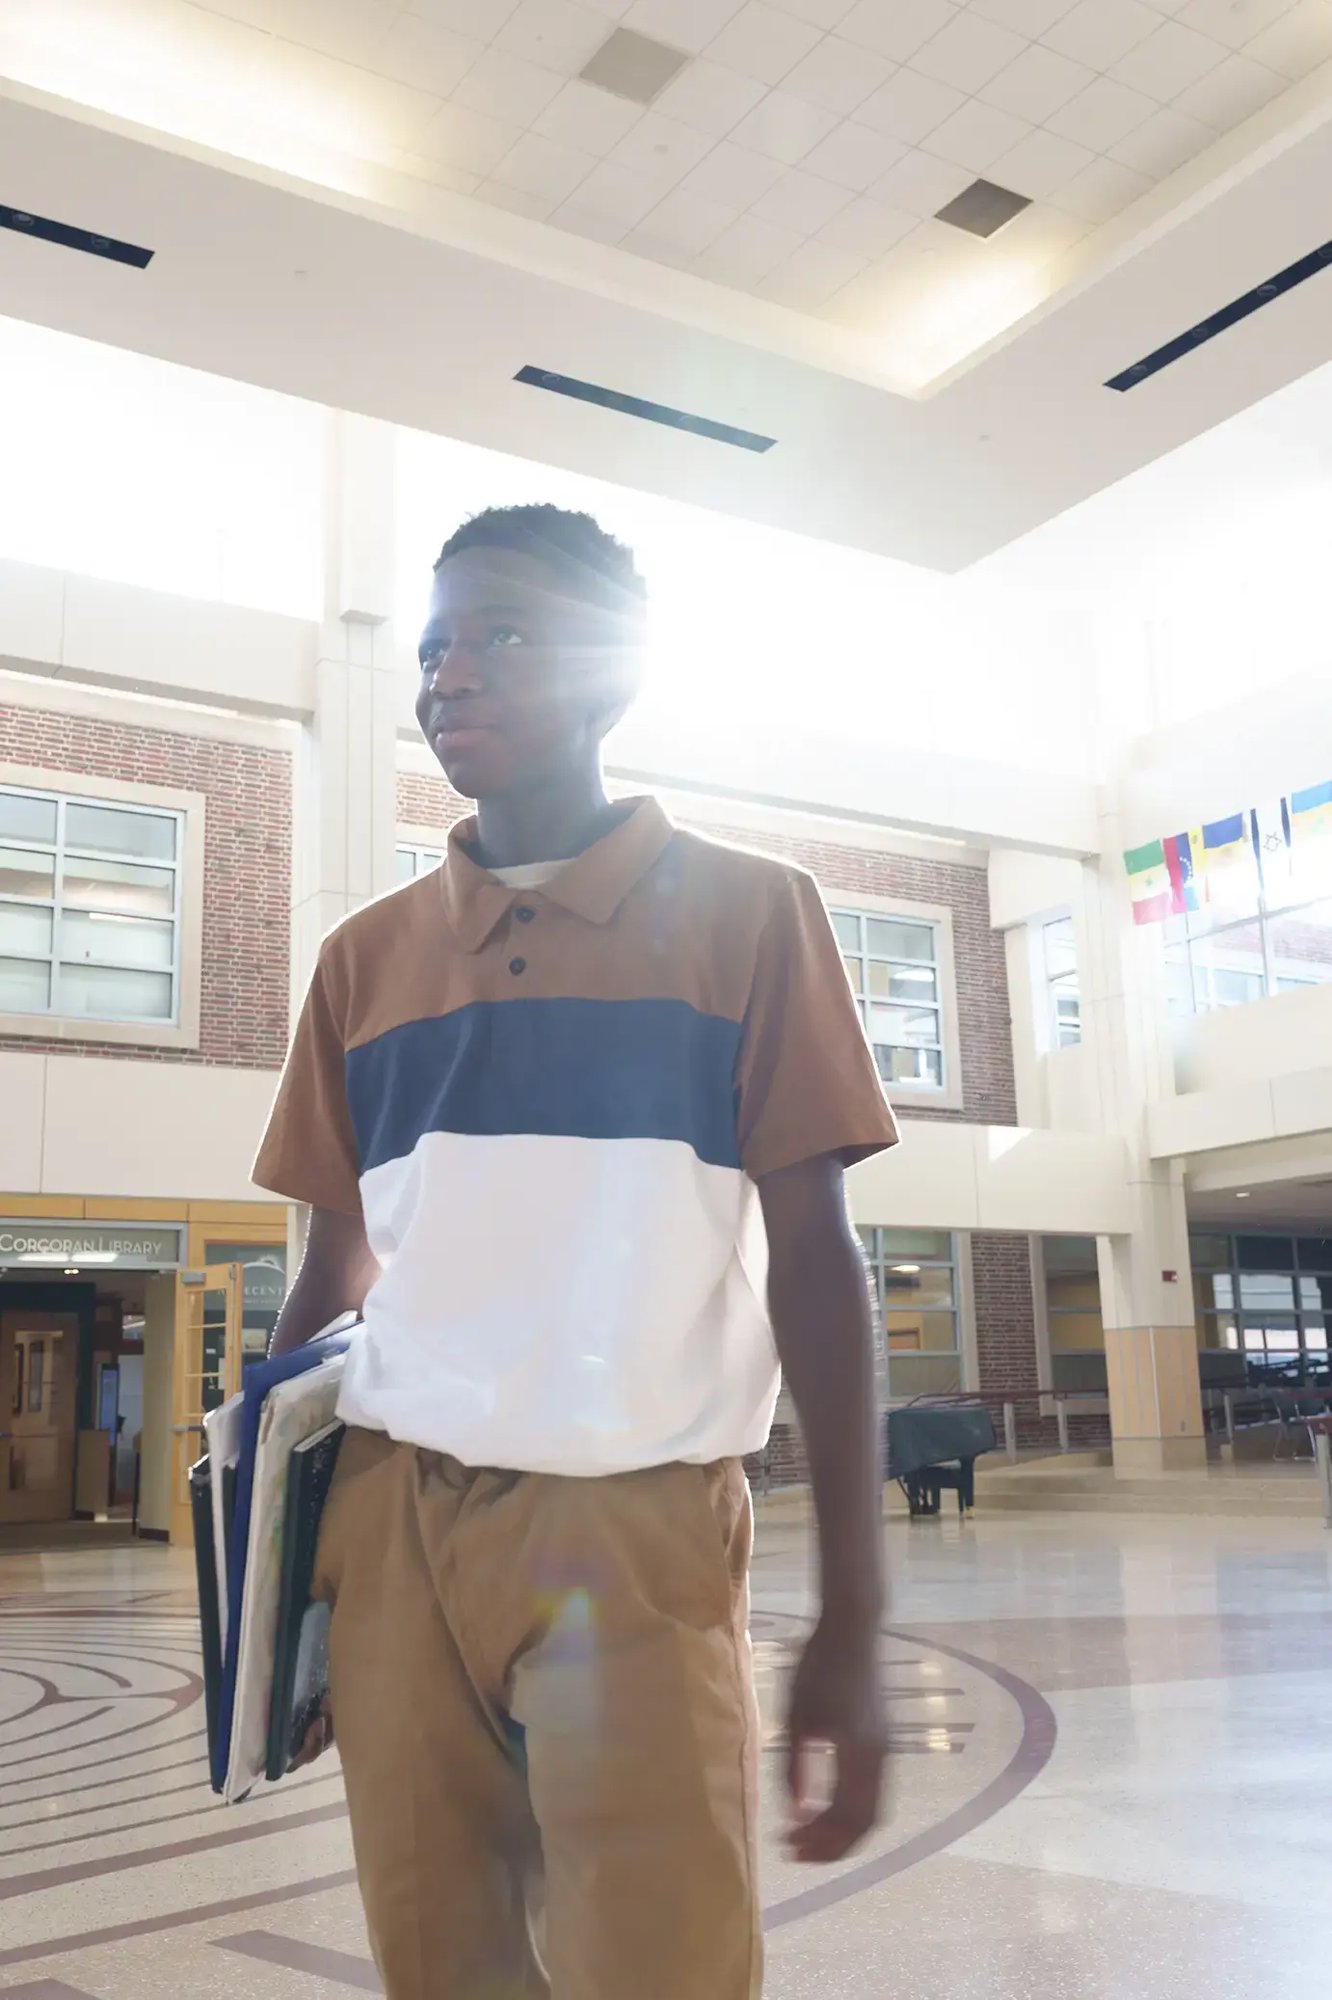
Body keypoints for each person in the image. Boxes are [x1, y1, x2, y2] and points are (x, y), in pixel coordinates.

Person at [255, 503, 899, 1999]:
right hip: (392, 1526)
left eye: (504, 636)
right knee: (443, 1962)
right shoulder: (363, 961)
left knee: (657, 1965)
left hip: (633, 1528)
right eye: (432, 648)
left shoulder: (753, 915)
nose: (450, 676)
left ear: (614, 681)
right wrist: (286, 1601)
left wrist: (853, 1616)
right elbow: (328, 1275)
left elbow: (816, 1257)